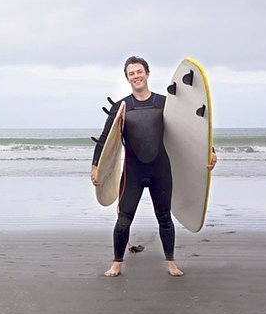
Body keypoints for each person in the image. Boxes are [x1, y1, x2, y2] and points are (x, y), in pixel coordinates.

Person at [90, 56, 217, 277]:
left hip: (160, 169)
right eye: (132, 73)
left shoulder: (165, 103)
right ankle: (117, 263)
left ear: (147, 74)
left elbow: (191, 131)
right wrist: (95, 167)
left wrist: (211, 151)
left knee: (164, 218)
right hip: (133, 171)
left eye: (139, 71)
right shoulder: (121, 107)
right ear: (127, 78)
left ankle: (170, 262)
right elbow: (104, 139)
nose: (136, 76)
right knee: (123, 220)